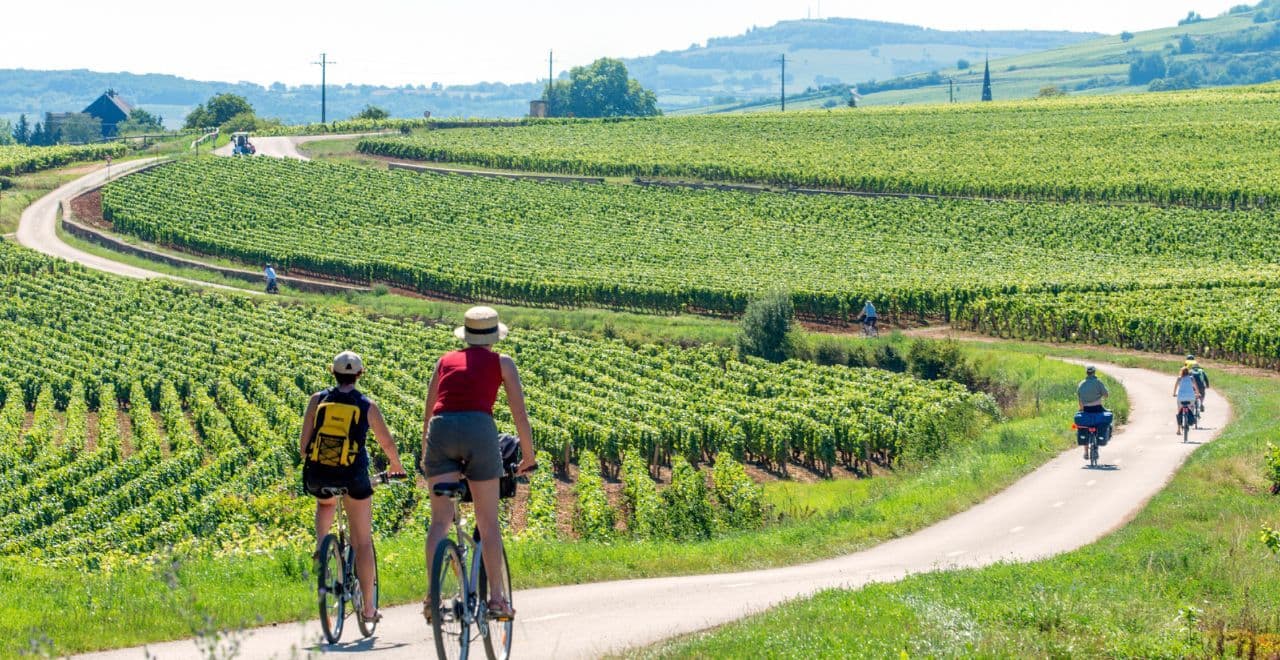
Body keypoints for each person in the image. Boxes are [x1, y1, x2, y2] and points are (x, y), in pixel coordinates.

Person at [422, 307, 536, 621]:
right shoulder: (502, 363)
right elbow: (519, 415)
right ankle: (497, 599)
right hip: (479, 430)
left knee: (440, 522)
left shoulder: (444, 361)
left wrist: (425, 454)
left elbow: (429, 412)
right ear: (493, 336)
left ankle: (432, 598)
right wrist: (528, 456)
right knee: (487, 523)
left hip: (440, 431)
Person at [300, 351, 408, 623]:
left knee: (325, 502)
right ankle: (369, 609)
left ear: (332, 373)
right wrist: (396, 465)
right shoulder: (365, 404)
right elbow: (387, 442)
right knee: (362, 542)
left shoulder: (317, 399)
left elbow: (303, 447)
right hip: (353, 476)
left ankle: (322, 548)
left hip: (318, 475)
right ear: (360, 375)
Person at [1076, 365, 1110, 459]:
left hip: (1086, 410)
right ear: (1094, 372)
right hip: (1098, 409)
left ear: (1087, 373)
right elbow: (1106, 395)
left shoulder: (1081, 384)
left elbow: (1079, 399)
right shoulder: (1098, 382)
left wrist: (1082, 409)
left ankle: (1086, 452)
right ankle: (1096, 448)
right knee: (1100, 425)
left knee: (1085, 428)